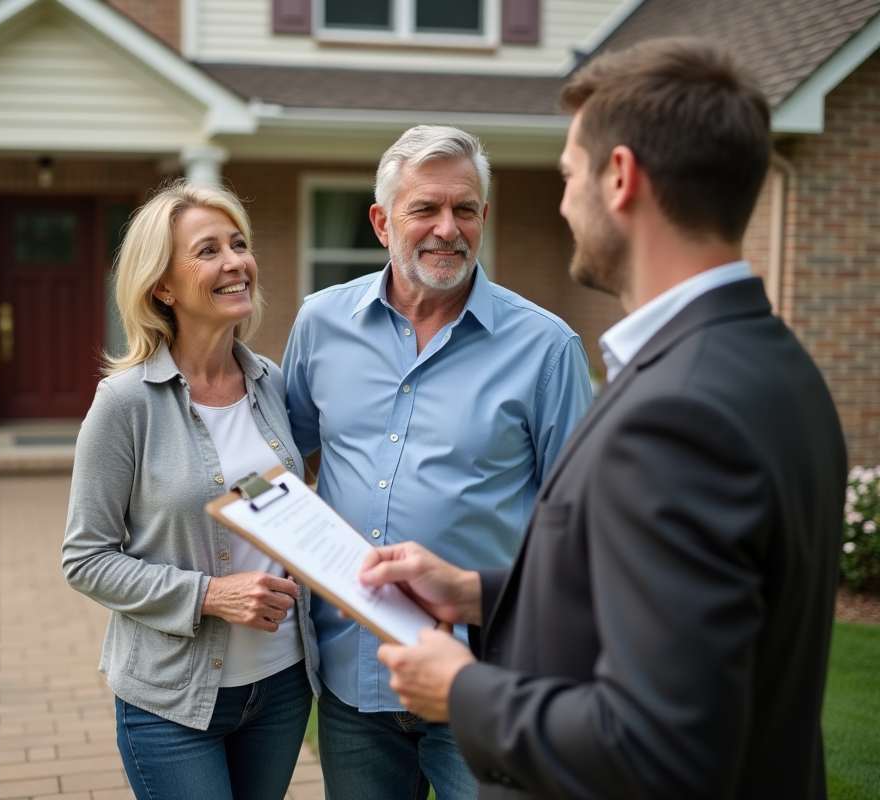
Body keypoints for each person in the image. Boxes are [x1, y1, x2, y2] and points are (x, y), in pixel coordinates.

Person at [362, 37, 848, 799]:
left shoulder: (679, 411)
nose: (562, 202)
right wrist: (478, 592)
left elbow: (663, 744)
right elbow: (659, 604)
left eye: (567, 175)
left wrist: (464, 690)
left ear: (619, 177)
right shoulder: (770, 361)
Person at [281, 125, 593, 800]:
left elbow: (583, 531)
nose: (447, 229)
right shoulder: (319, 324)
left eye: (466, 209)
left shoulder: (547, 349)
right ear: (382, 220)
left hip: (483, 682)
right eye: (425, 208)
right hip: (350, 675)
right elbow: (285, 458)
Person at [61, 181, 320, 800]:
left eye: (239, 244)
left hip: (283, 685)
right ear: (163, 286)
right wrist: (209, 594)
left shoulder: (270, 383)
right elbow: (84, 559)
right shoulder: (124, 404)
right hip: (171, 702)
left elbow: (278, 498)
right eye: (208, 251)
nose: (235, 262)